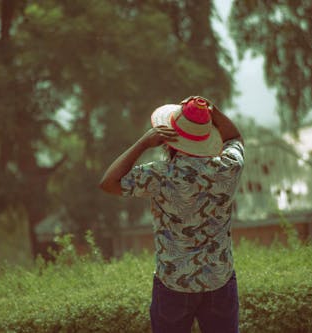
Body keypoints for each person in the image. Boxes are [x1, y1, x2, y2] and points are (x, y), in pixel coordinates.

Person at [99, 96, 244, 333]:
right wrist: (210, 110)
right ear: (207, 137)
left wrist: (143, 143)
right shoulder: (228, 168)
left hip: (174, 283)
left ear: (170, 139)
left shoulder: (159, 175)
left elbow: (108, 183)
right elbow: (234, 138)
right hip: (219, 279)